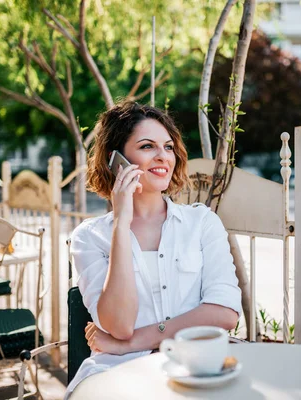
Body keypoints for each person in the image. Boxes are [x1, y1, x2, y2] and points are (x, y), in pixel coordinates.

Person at [66, 101, 241, 396]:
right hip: (117, 373)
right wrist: (122, 223)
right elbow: (119, 326)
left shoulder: (201, 222)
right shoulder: (90, 237)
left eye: (168, 147)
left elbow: (224, 312)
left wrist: (135, 342)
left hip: (194, 368)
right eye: (147, 146)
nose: (163, 156)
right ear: (116, 159)